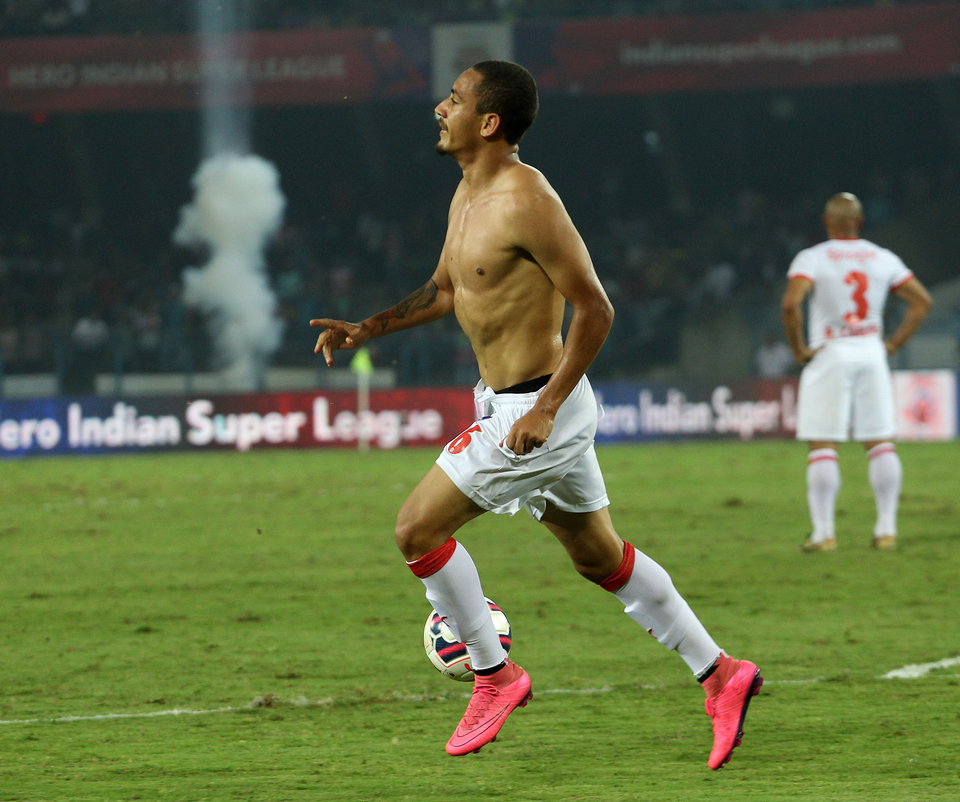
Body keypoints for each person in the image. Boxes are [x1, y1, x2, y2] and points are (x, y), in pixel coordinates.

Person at [311, 61, 760, 769]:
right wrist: (367, 329)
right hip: (512, 403)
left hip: (536, 407)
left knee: (416, 529)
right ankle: (722, 674)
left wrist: (547, 408)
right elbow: (443, 291)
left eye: (454, 100)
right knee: (598, 555)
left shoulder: (526, 198)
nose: (439, 107)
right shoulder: (467, 194)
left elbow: (597, 307)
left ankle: (495, 677)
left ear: (488, 122)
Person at [781, 193, 933, 552]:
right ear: (861, 222)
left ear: (826, 222)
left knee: (822, 444)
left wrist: (799, 349)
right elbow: (921, 302)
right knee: (880, 441)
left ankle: (823, 534)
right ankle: (886, 530)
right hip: (871, 353)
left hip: (830, 352)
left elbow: (791, 304)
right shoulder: (882, 257)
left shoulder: (812, 257)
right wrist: (893, 344)